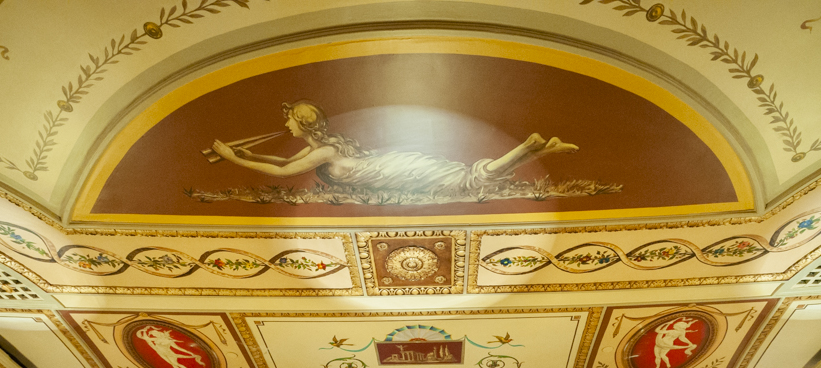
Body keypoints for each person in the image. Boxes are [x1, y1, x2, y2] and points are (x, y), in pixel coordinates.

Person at [210, 100, 580, 198]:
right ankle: (541, 150)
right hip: (394, 166)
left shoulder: (323, 152)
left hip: (395, 170)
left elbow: (282, 172)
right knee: (469, 180)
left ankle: (533, 147)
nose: (286, 124)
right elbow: (282, 161)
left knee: (469, 183)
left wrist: (229, 158)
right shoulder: (322, 148)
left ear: (302, 124)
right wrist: (247, 156)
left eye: (290, 119)